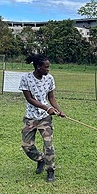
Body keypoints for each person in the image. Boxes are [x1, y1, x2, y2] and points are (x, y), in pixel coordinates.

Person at [19, 54, 65, 182]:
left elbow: (51, 98)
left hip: (45, 118)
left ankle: (50, 171)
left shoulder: (49, 79)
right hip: (31, 118)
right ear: (38, 67)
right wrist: (47, 108)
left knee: (48, 145)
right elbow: (29, 99)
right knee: (26, 146)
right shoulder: (26, 78)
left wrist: (58, 110)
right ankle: (40, 160)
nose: (48, 69)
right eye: (46, 67)